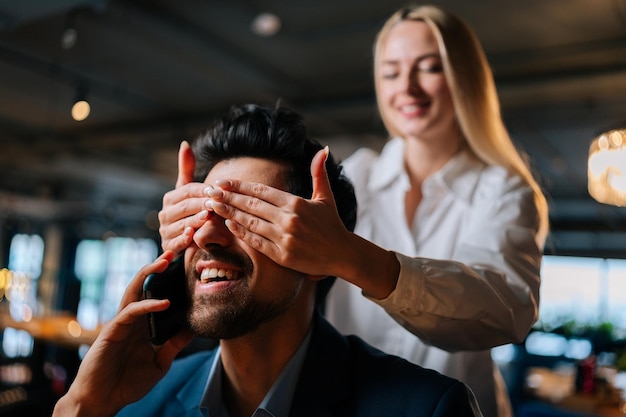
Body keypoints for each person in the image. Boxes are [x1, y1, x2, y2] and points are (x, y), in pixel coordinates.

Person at [157, 6, 550, 417]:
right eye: (392, 72)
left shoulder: (504, 189)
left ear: (465, 78)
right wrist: (192, 227)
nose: (408, 87)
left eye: (429, 67)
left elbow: (506, 308)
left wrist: (347, 254)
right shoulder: (355, 173)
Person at [52, 103, 483, 417]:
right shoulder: (134, 402)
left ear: (319, 250)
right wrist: (84, 406)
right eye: (198, 214)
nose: (205, 234)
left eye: (246, 216)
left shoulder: (426, 408)